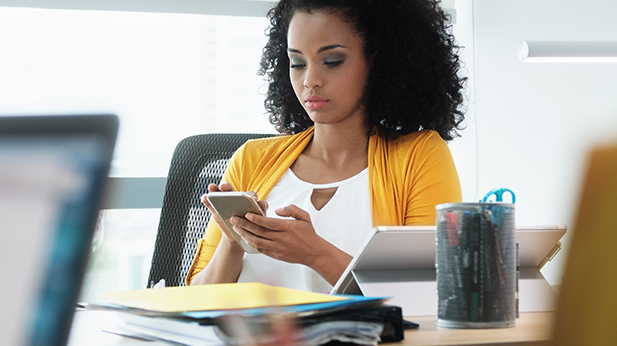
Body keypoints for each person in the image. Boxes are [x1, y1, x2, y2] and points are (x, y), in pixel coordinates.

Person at [186, 0, 466, 292]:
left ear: (378, 61)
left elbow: (425, 294)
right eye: (297, 63)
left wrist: (314, 253)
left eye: (332, 61)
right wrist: (235, 242)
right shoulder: (251, 160)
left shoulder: (419, 157)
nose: (310, 81)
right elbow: (194, 298)